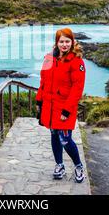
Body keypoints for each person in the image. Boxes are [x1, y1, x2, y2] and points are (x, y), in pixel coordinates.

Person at [35, 27, 86, 183]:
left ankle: (78, 166)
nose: (64, 44)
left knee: (65, 139)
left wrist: (67, 110)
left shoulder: (77, 62)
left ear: (72, 42)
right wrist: (39, 101)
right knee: (54, 135)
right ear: (56, 43)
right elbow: (43, 81)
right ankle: (60, 165)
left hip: (64, 108)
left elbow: (77, 89)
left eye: (67, 41)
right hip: (49, 106)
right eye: (61, 41)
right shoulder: (49, 58)